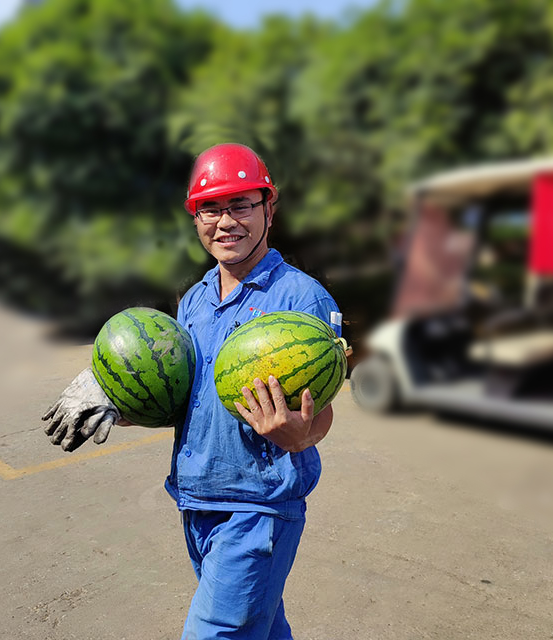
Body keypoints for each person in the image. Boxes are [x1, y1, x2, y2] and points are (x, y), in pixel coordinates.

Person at [42, 143, 339, 639]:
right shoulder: (196, 300)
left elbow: (321, 412)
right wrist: (116, 398)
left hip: (258, 507)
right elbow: (184, 399)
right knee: (261, 629)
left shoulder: (301, 297)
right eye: (211, 208)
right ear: (195, 217)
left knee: (215, 632)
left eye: (241, 205)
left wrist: (299, 435)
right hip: (196, 497)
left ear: (269, 207)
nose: (226, 222)